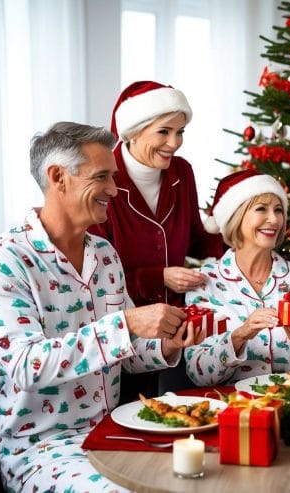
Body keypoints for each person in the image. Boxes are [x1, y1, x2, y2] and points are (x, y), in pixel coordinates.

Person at [0, 122, 202, 492]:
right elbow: (25, 366)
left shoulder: (104, 255)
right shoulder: (7, 260)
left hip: (116, 430)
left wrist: (168, 345)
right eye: (102, 177)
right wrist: (126, 323)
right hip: (43, 448)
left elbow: (127, 352)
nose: (114, 190)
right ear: (58, 177)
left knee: (204, 474)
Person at [89, 80, 224, 396]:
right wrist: (158, 277)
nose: (174, 143)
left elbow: (196, 240)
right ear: (133, 131)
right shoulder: (104, 181)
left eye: (180, 132)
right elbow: (94, 277)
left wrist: (236, 228)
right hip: (122, 332)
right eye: (164, 132)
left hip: (176, 330)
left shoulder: (182, 172)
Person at [184, 169, 290, 385]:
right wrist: (241, 335)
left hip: (289, 404)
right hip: (230, 408)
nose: (274, 219)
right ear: (236, 217)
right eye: (261, 209)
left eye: (279, 210)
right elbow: (198, 374)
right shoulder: (205, 281)